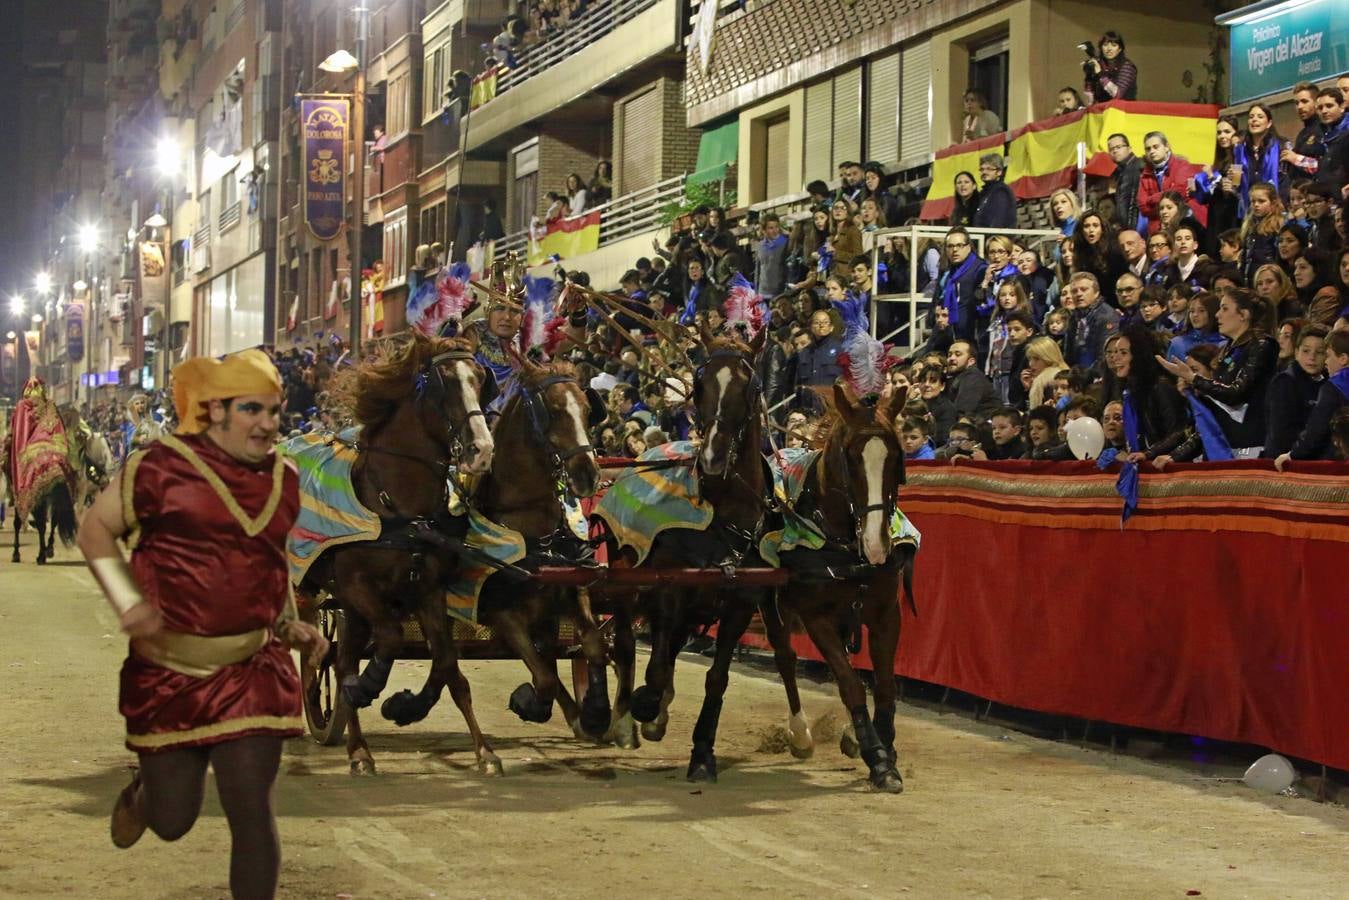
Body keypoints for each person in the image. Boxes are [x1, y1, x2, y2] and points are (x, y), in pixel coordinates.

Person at [76, 349, 328, 898]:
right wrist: (128, 602)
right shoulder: (158, 467)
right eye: (252, 410)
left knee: (250, 807)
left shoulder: (285, 478)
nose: (267, 424)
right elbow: (94, 531)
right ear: (216, 410)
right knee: (173, 821)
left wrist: (289, 625)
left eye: (274, 411)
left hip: (251, 671)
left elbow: (269, 561)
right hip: (168, 672)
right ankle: (145, 796)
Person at [1157, 288, 1279, 457]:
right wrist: (1174, 457)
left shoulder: (1262, 345)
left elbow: (1236, 394)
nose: (1217, 315)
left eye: (1224, 308)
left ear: (1243, 315)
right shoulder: (1227, 351)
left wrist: (1194, 379)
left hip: (1249, 449)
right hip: (1223, 448)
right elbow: (1214, 417)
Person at [1098, 327, 1189, 461]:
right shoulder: (1129, 391)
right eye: (1115, 352)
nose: (1114, 358)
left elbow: (1178, 433)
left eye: (1123, 353)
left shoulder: (1161, 387)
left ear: (1139, 356)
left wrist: (1148, 454)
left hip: (1168, 468)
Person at [1276, 328, 1349, 466]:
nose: (1325, 362)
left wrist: (1292, 455)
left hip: (1336, 466)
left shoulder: (1333, 388)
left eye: (1327, 355)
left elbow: (1316, 430)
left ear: (1343, 359)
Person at [1264, 323, 1329, 458]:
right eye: (1306, 351)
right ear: (1296, 352)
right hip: (1284, 464)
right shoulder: (1285, 382)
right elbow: (1281, 434)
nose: (1312, 357)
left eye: (1319, 352)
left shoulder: (1329, 385)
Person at [1137, 131, 1206, 233]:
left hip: (1184, 224)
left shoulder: (1182, 165)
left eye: (1156, 147)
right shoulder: (1145, 175)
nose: (1151, 151)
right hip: (1159, 229)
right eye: (1148, 149)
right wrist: (1167, 206)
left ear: (1167, 146)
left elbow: (1180, 193)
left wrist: (1151, 199)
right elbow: (1143, 207)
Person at [935, 227, 988, 346]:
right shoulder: (950, 270)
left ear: (969, 247)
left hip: (972, 331)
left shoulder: (980, 268)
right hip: (952, 330)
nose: (955, 250)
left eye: (960, 245)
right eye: (950, 246)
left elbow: (982, 300)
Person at [945, 339, 999, 422]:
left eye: (958, 354)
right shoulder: (956, 377)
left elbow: (963, 411)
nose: (951, 358)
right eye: (949, 355)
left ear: (971, 361)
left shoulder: (973, 377)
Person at [1082, 31, 1137, 103]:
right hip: (1103, 110)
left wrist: (1101, 74)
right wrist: (1089, 76)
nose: (1109, 49)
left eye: (1114, 45)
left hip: (1123, 110)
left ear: (1120, 49)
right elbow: (1090, 101)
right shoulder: (1100, 64)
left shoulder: (1126, 66)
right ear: (1101, 48)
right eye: (1105, 45)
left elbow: (1118, 94)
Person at [1106, 133, 1144, 233]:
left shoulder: (1137, 167)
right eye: (1111, 149)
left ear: (1129, 148)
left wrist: (1131, 229)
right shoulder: (1120, 171)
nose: (1115, 151)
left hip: (1137, 228)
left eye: (1118, 147)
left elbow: (1134, 202)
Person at [972, 154, 1017, 229]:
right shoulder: (984, 192)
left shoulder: (1001, 191)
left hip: (995, 238)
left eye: (989, 169)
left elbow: (998, 220)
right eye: (982, 169)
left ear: (999, 172)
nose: (984, 172)